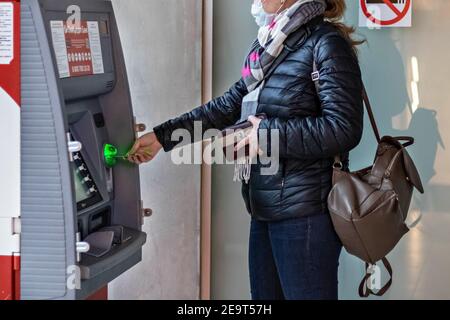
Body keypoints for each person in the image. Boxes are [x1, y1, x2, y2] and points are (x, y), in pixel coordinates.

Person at [128, 0, 364, 300]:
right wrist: (163, 137)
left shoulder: (326, 43)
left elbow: (343, 128)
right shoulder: (271, 44)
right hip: (264, 206)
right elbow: (228, 106)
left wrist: (264, 134)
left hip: (306, 215)